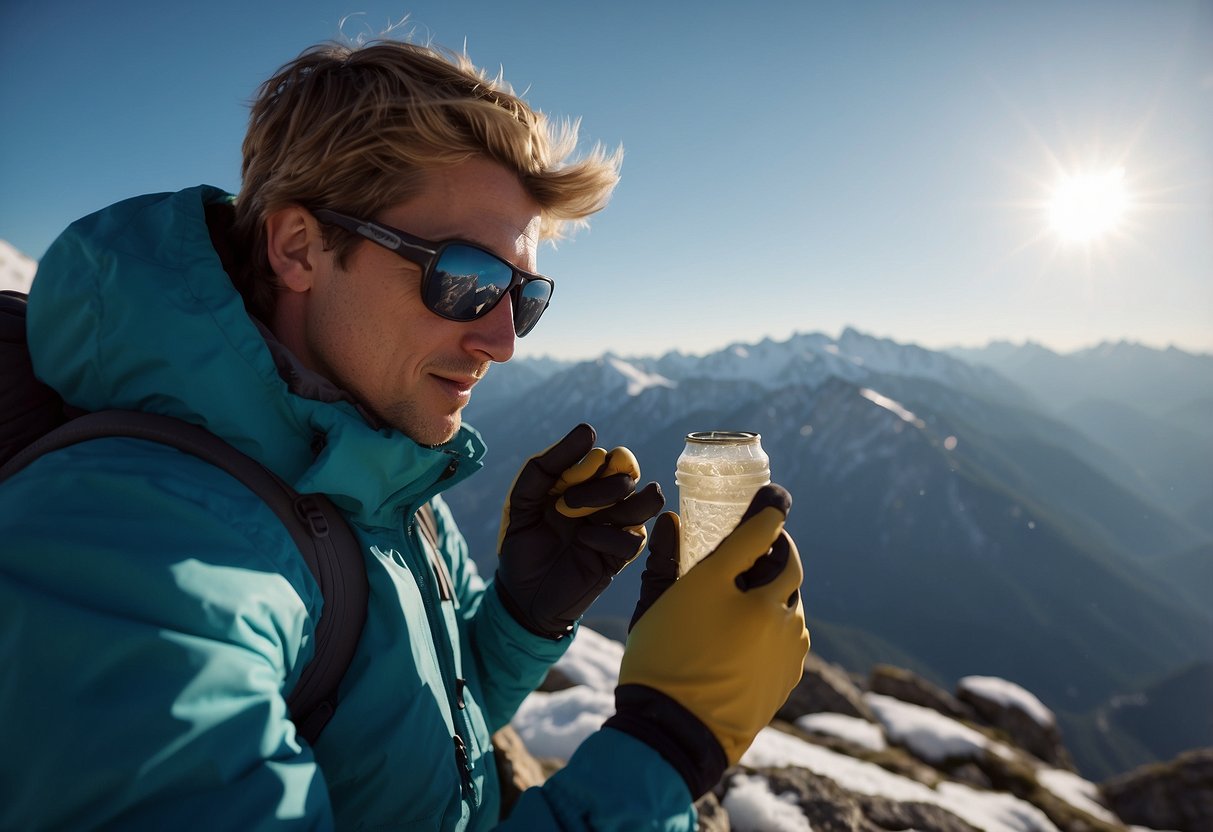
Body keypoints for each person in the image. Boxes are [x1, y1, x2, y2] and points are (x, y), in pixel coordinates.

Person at [0, 38, 809, 830]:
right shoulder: (136, 555)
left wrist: (524, 616)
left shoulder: (376, 464)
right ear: (298, 247)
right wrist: (666, 743)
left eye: (524, 295)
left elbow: (394, 740)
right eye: (465, 279)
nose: (503, 341)